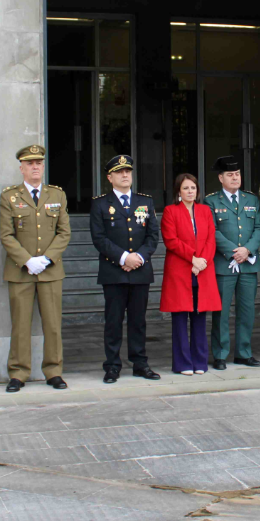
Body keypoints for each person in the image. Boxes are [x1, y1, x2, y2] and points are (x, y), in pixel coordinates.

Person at [0, 145, 71, 393]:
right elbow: (6, 235)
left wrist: (47, 259)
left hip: (50, 271)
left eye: (39, 162)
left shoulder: (57, 195)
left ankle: (53, 371)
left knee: (52, 324)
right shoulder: (9, 196)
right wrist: (28, 260)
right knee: (20, 325)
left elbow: (64, 232)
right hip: (21, 271)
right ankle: (18, 373)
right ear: (22, 168)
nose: (36, 167)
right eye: (30, 163)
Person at [89, 155, 162, 383]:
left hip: (140, 269)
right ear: (110, 177)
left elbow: (153, 235)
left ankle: (140, 363)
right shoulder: (100, 203)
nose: (125, 175)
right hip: (114, 271)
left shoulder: (145, 201)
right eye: (120, 172)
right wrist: (124, 258)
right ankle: (112, 365)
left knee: (138, 320)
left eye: (128, 171)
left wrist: (139, 256)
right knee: (113, 321)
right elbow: (99, 238)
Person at [205, 156, 260, 369]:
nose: (234, 178)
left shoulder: (251, 199)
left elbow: (259, 228)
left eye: (237, 174)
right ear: (221, 178)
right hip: (224, 264)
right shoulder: (211, 201)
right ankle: (220, 355)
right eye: (230, 175)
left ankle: (243, 352)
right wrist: (233, 251)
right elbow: (212, 231)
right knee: (221, 312)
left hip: (248, 263)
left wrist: (247, 250)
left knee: (247, 310)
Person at [160, 174, 221, 375]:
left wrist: (201, 261)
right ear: (178, 191)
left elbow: (211, 239)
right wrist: (192, 259)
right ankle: (183, 364)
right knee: (179, 319)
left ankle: (200, 362)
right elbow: (171, 240)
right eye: (186, 188)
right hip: (180, 270)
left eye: (193, 188)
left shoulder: (205, 211)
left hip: (202, 270)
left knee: (199, 318)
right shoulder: (170, 211)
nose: (190, 191)